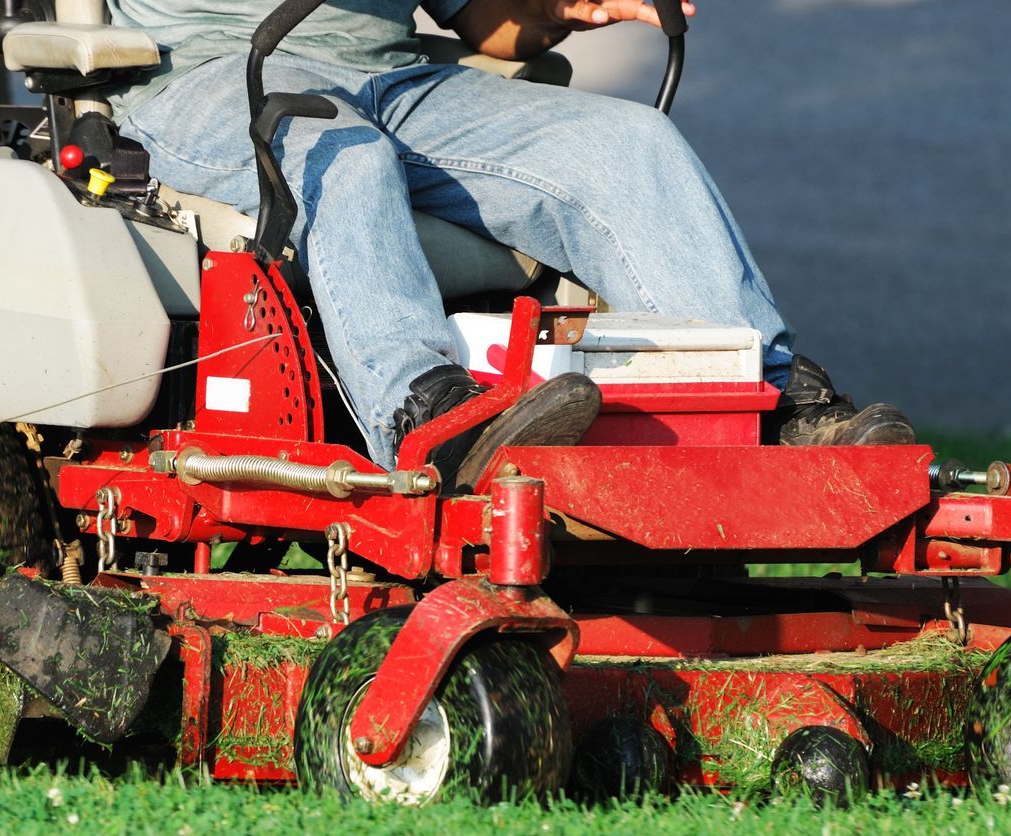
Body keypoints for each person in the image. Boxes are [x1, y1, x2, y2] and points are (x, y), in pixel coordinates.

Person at [105, 0, 914, 479]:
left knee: (628, 143)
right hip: (211, 77)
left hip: (401, 81)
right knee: (341, 154)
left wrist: (559, 9)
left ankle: (770, 401)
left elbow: (487, 24)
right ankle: (427, 421)